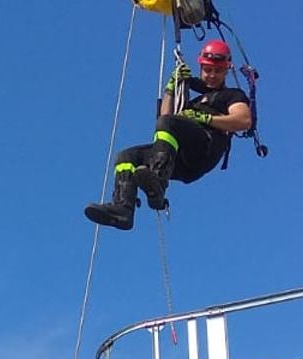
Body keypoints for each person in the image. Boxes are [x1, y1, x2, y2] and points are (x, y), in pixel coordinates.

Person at [83, 40, 254, 231]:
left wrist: (205, 117)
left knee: (169, 123)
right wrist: (171, 88)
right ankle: (123, 209)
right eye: (207, 70)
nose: (212, 75)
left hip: (205, 148)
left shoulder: (231, 95)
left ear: (226, 70)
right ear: (201, 67)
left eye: (218, 70)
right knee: (127, 156)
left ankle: (158, 180)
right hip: (179, 159)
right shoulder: (192, 100)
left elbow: (243, 120)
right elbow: (165, 117)